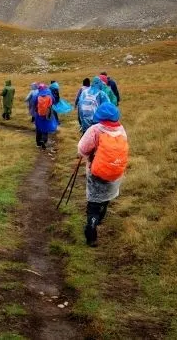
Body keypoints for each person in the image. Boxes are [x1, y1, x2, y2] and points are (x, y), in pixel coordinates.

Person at [77, 102, 129, 247]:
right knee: (106, 198)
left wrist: (84, 154)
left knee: (93, 203)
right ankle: (100, 217)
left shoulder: (95, 129)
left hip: (96, 172)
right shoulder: (121, 130)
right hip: (115, 172)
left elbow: (82, 149)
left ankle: (91, 233)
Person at [31, 83, 58, 149]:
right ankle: (44, 140)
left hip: (38, 115)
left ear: (39, 88)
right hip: (47, 114)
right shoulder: (49, 94)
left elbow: (33, 104)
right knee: (45, 127)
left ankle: (38, 143)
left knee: (38, 128)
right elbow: (54, 101)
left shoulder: (37, 95)